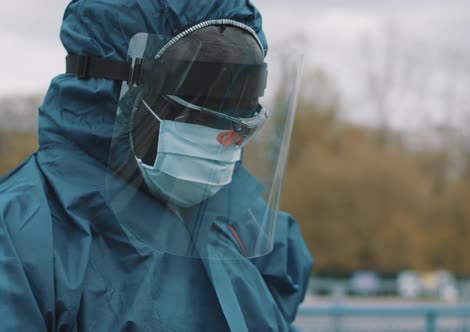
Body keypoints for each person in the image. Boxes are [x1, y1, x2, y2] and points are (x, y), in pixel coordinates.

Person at [0, 0, 313, 331]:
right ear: (116, 84)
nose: (226, 125)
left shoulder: (247, 227)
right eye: (201, 94)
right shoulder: (23, 238)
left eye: (240, 92)